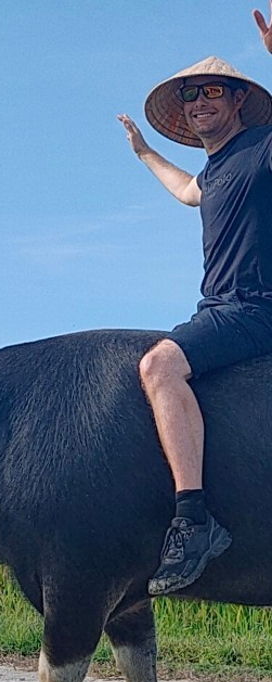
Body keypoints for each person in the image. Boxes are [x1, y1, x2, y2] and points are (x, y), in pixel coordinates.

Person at [118, 5, 272, 596]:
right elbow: (186, 191)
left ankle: (193, 519)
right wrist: (141, 154)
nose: (198, 101)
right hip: (215, 310)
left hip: (258, 309)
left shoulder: (262, 147)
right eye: (189, 95)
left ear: (237, 101)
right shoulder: (213, 171)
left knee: (158, 364)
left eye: (211, 91)